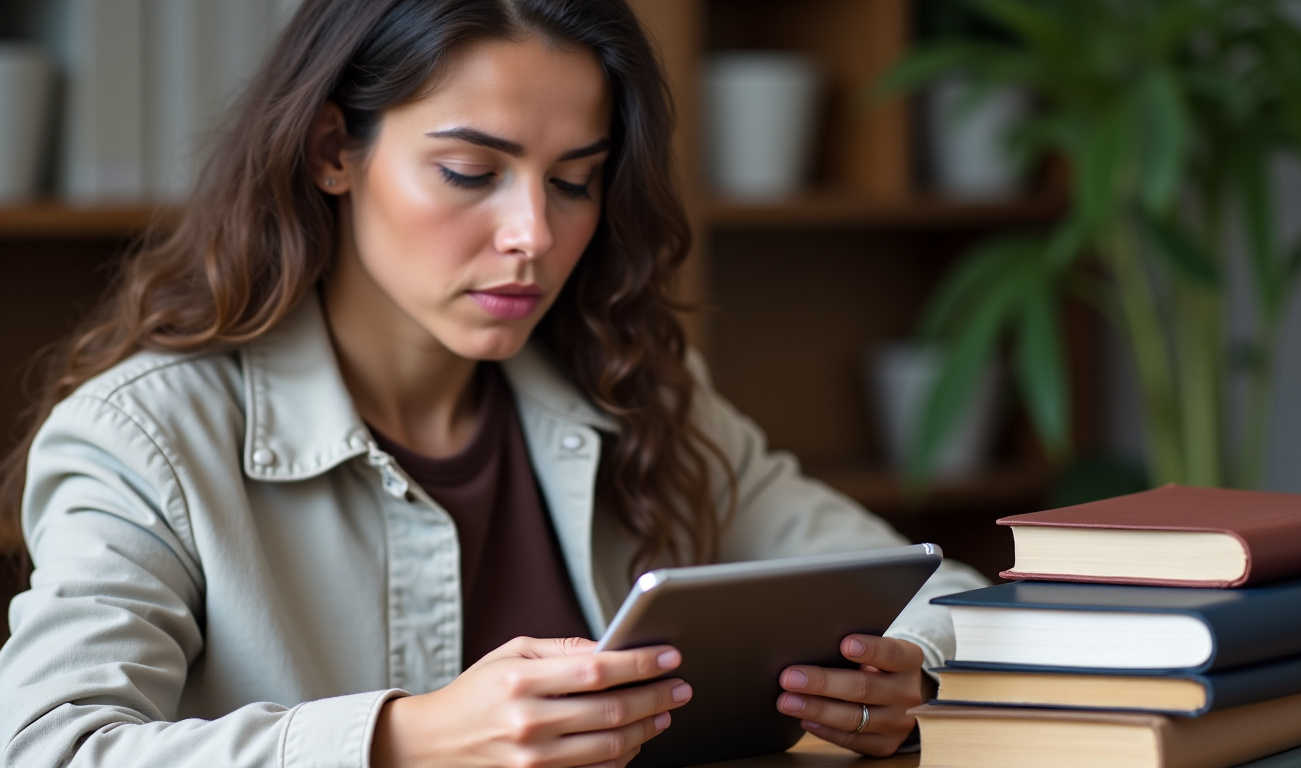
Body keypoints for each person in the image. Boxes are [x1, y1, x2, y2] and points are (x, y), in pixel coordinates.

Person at [0, 1, 988, 766]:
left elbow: (947, 597)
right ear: (332, 151)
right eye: (473, 170)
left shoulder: (633, 387)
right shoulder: (144, 439)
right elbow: (50, 746)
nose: (535, 236)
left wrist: (910, 683)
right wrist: (403, 741)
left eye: (574, 180)